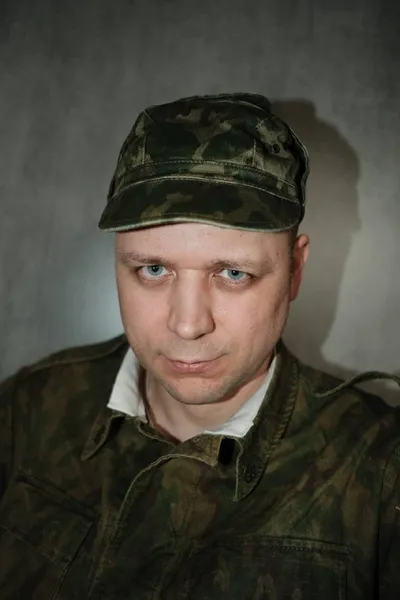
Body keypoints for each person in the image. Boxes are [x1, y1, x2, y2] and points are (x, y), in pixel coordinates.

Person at [0, 93, 399, 599]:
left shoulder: (382, 472)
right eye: (153, 269)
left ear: (295, 271)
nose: (188, 325)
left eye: (233, 274)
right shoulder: (30, 407)